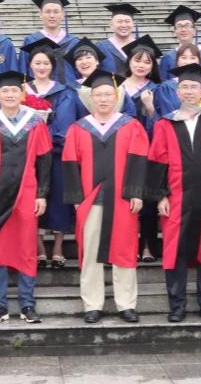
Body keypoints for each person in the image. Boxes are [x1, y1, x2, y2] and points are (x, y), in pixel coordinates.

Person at [63, 69, 150, 324]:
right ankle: (92, 304)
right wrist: (76, 197)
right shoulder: (78, 128)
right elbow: (70, 163)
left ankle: (126, 304)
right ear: (91, 98)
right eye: (98, 95)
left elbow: (139, 160)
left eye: (108, 95)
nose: (103, 99)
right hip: (90, 199)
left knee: (125, 249)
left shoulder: (131, 125)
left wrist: (136, 193)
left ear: (116, 97)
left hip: (123, 198)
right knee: (90, 251)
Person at [0, 70, 53, 324]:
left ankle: (27, 304)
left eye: (14, 90)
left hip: (27, 193)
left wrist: (42, 194)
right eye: (5, 90)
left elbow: (44, 161)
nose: (10, 94)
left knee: (26, 247)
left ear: (22, 94)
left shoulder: (34, 122)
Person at [148, 63, 201, 323]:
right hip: (176, 197)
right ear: (177, 92)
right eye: (184, 87)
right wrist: (160, 195)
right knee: (175, 250)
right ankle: (177, 306)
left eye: (194, 87)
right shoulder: (165, 123)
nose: (189, 91)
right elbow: (157, 160)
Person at [23, 39, 86, 269]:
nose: (41, 67)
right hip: (28, 155)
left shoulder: (65, 91)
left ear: (52, 66)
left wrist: (44, 134)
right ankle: (39, 248)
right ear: (30, 65)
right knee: (33, 198)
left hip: (57, 152)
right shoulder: (21, 91)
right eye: (37, 63)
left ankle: (58, 247)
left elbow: (68, 123)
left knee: (59, 198)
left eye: (46, 63)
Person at [120, 35, 162, 264]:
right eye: (137, 60)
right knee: (124, 200)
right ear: (129, 61)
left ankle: (147, 246)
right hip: (122, 151)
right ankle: (126, 245)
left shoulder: (158, 89)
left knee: (147, 201)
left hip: (149, 151)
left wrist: (150, 107)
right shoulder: (116, 87)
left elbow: (162, 125)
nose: (141, 65)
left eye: (147, 62)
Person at [21, 0, 80, 84]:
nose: (52, 15)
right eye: (48, 12)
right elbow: (24, 71)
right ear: (40, 14)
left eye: (56, 12)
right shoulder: (31, 41)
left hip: (68, 91)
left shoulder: (74, 42)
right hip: (38, 92)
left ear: (63, 14)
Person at [153, 43, 201, 116]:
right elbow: (165, 113)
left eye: (193, 58)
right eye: (184, 57)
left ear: (199, 61)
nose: (188, 62)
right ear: (177, 61)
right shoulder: (166, 88)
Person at [158, 5, 201, 80]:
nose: (183, 29)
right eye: (179, 26)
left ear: (194, 31)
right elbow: (163, 82)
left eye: (187, 25)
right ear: (174, 32)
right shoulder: (168, 58)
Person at [97, 3, 141, 74]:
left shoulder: (142, 46)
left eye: (127, 21)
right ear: (111, 25)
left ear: (133, 24)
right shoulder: (101, 48)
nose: (123, 25)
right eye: (119, 21)